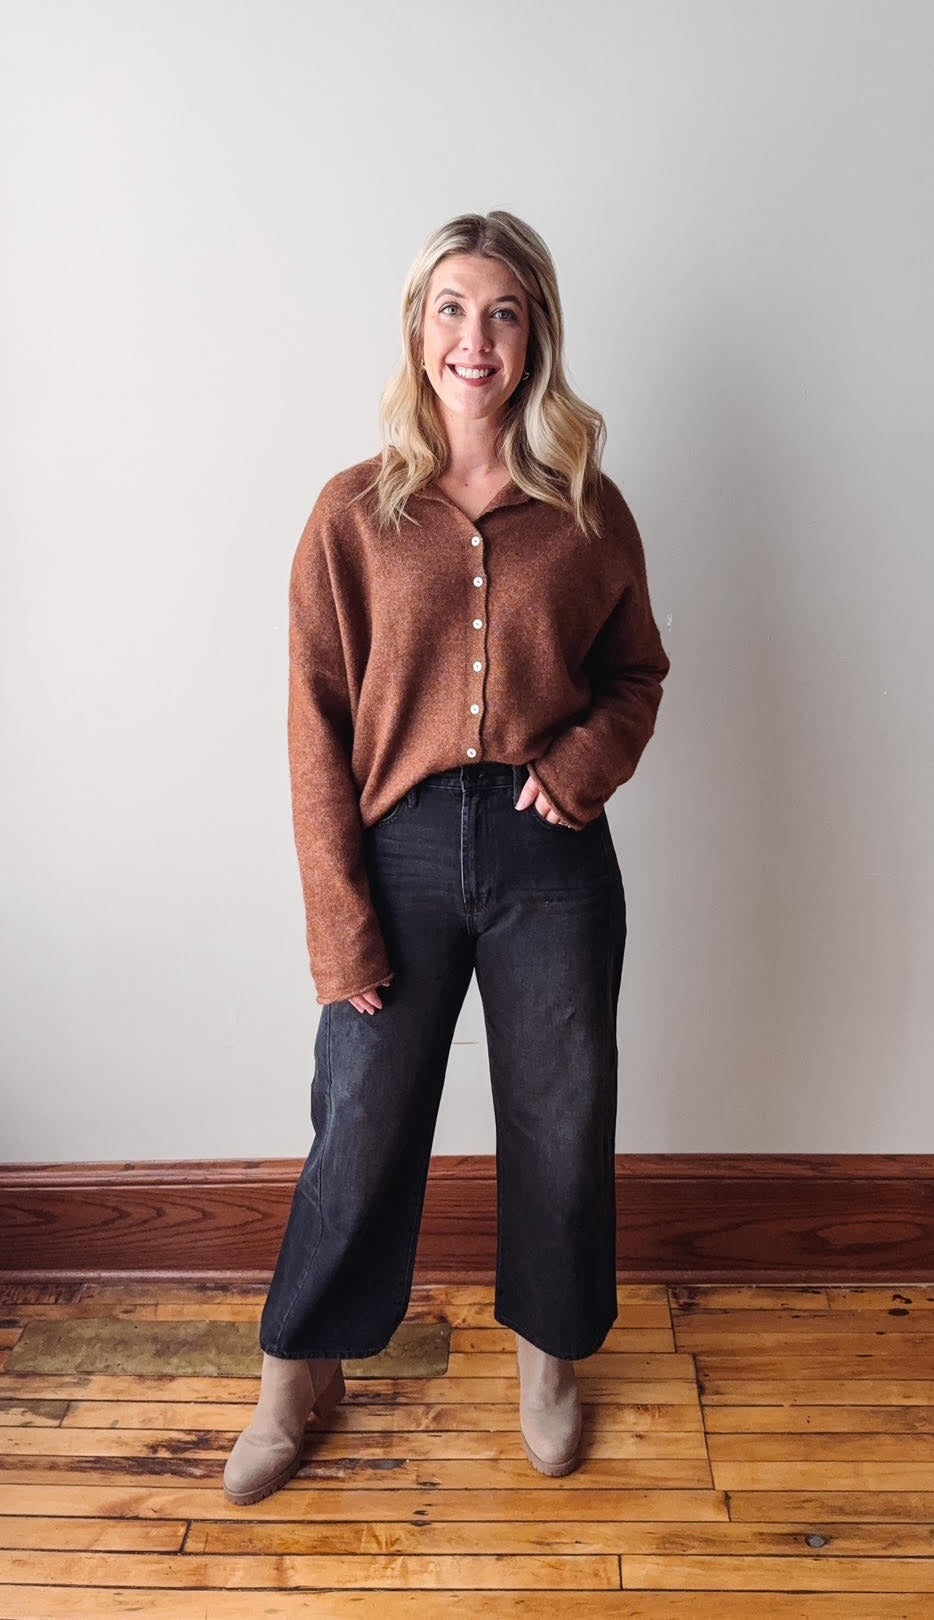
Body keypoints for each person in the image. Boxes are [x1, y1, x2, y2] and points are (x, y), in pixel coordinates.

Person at [223, 209, 671, 1506]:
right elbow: (312, 718)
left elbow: (636, 673)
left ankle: (547, 1354)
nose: (474, 338)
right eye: (451, 309)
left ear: (534, 338)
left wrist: (578, 770)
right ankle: (298, 1373)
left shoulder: (586, 507)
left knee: (560, 1111)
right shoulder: (351, 514)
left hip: (550, 857)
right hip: (398, 848)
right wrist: (335, 920)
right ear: (418, 331)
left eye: (503, 313)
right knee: (358, 1119)